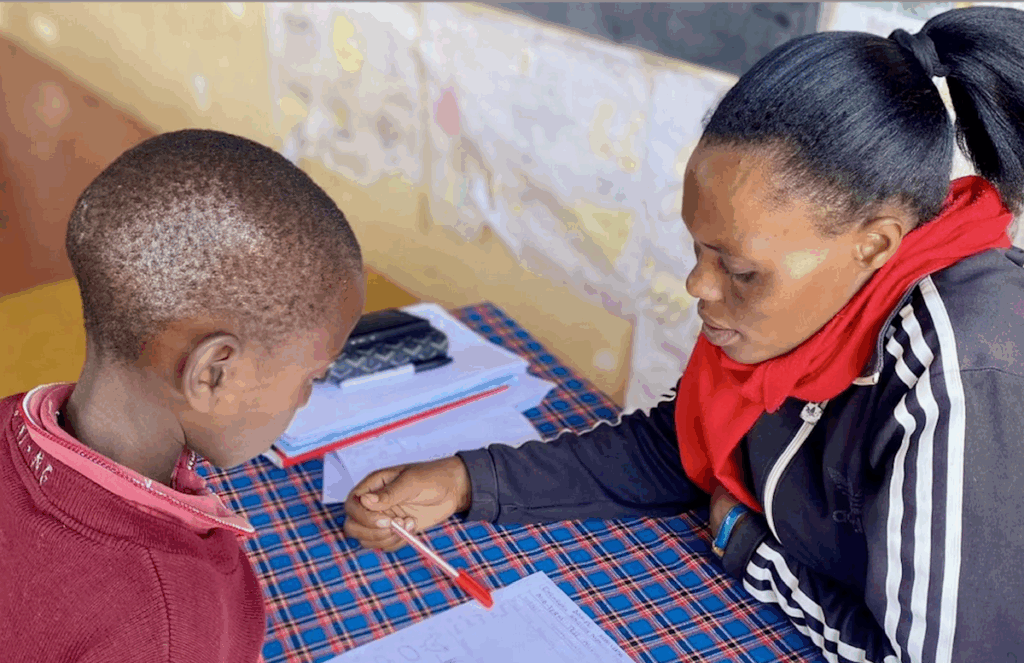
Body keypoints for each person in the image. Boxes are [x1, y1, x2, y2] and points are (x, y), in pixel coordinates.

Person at [343, 7, 1024, 662]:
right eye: (699, 249)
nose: (698, 285)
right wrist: (467, 480)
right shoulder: (802, 302)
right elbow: (681, 447)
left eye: (737, 268)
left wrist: (743, 542)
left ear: (875, 244)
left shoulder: (961, 369)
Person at [0, 129, 366, 662]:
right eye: (311, 376)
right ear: (212, 373)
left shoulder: (15, 416)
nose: (306, 399)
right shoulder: (171, 623)